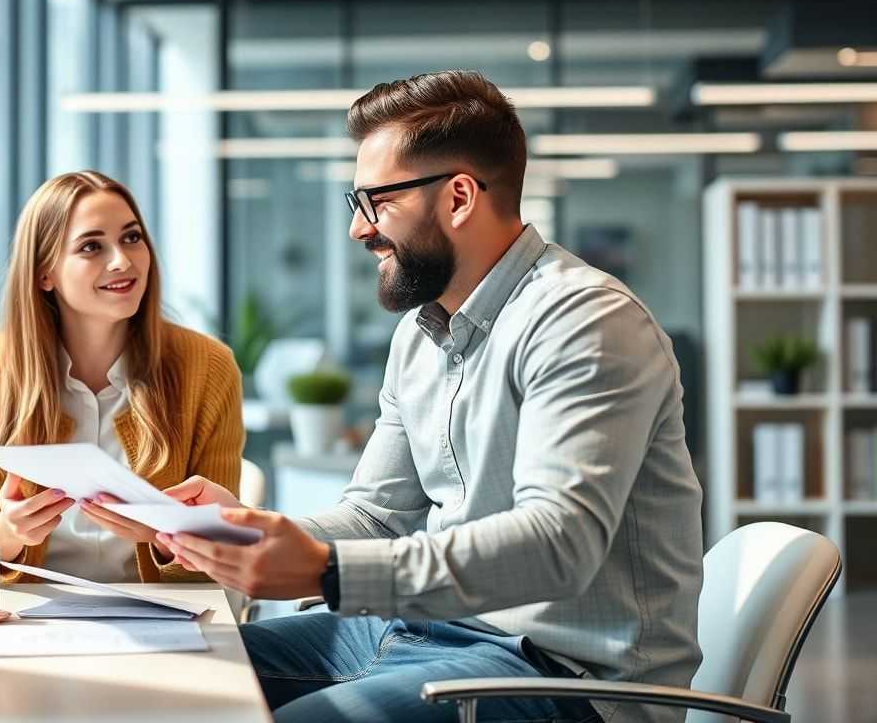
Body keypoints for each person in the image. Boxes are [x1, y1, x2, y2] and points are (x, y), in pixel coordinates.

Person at [156, 71, 704, 723]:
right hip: (421, 631)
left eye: (377, 203)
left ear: (459, 197)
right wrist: (244, 535)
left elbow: (559, 544)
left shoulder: (584, 319)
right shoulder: (420, 336)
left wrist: (329, 572)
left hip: (560, 671)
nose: (359, 231)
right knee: (168, 678)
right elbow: (377, 517)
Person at [0, 170, 244, 585]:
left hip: (168, 619)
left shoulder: (207, 368)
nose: (122, 260)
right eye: (91, 246)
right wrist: (12, 532)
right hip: (32, 624)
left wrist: (161, 535)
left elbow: (228, 550)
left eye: (132, 237)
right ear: (45, 272)